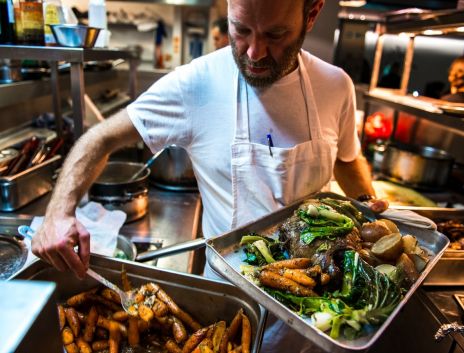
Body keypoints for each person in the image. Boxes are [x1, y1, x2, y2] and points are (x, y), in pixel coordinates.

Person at [32, 0, 387, 351]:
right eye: (241, 30)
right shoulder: (197, 84)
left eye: (275, 34)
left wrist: (369, 208)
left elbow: (345, 158)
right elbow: (100, 138)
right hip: (231, 313)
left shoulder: (336, 86)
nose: (254, 52)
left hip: (321, 315)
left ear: (311, 15)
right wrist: (57, 214)